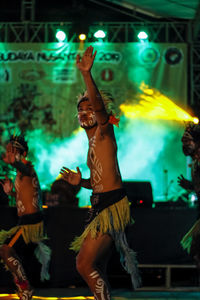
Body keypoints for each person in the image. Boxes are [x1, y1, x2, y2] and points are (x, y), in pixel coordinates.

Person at [60, 46, 141, 300]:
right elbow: (99, 181)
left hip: (111, 205)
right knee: (97, 266)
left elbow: (99, 108)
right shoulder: (91, 141)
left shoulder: (104, 132)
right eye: (80, 110)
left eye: (89, 109)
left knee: (84, 264)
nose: (84, 113)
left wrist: (86, 74)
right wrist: (81, 181)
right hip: (99, 205)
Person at [0, 134, 51, 300]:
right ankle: (23, 288)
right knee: (11, 253)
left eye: (10, 151)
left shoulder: (27, 167)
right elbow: (25, 196)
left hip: (31, 223)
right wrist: (11, 193)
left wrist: (14, 162)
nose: (6, 154)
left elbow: (25, 170)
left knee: (6, 250)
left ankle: (25, 287)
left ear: (20, 152)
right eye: (6, 151)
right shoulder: (19, 172)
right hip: (25, 222)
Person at [178, 123, 200, 279]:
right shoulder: (195, 162)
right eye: (183, 141)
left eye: (188, 141)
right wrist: (191, 186)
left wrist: (192, 186)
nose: (184, 144)